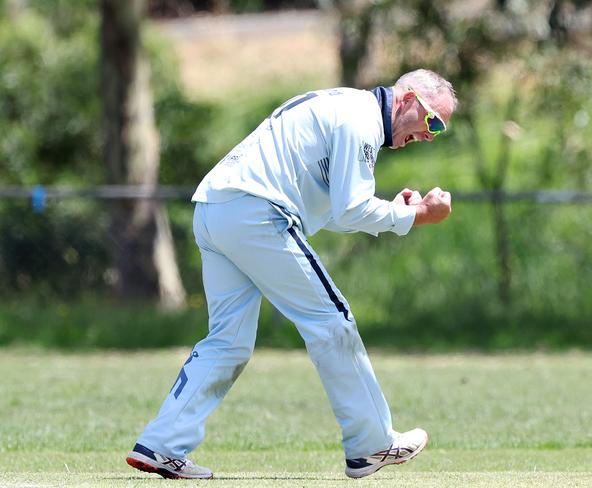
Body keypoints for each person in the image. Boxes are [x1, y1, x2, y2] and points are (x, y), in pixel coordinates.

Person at [126, 68, 457, 479]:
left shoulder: (349, 109)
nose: (430, 135)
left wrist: (399, 211)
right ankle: (371, 443)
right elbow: (351, 209)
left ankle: (161, 444)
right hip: (256, 213)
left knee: (227, 342)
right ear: (407, 99)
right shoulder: (363, 120)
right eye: (433, 121)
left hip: (215, 208)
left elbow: (336, 208)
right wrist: (419, 216)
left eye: (438, 130)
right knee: (331, 320)